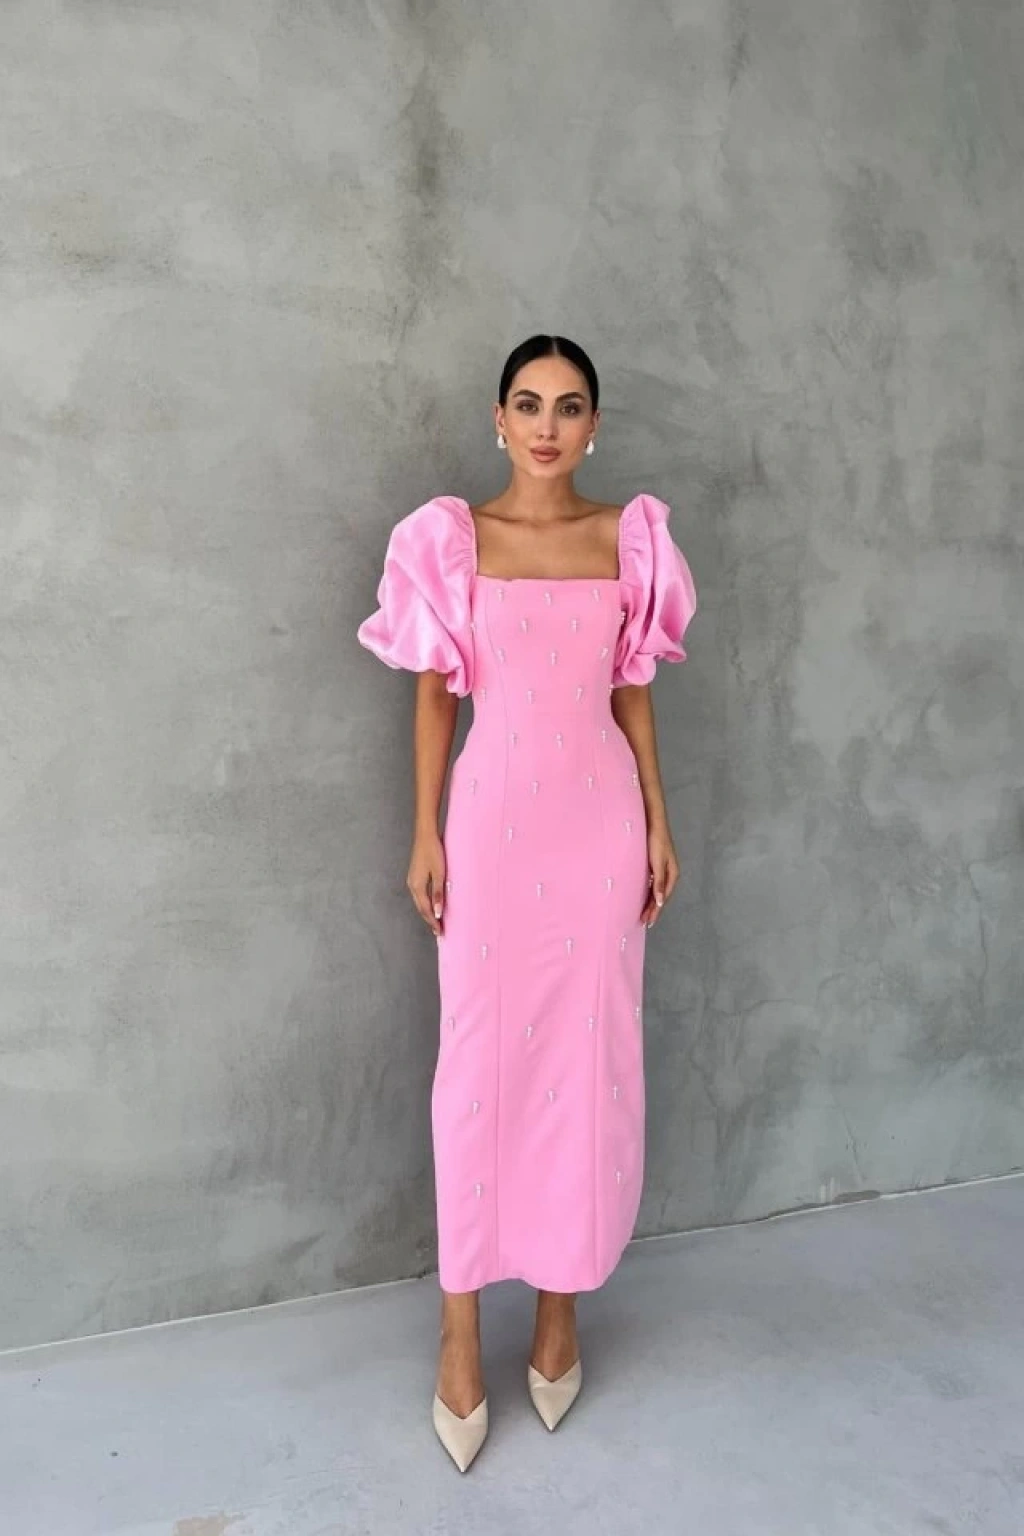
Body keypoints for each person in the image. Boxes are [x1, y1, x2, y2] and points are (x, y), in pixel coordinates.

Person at [356, 334, 697, 1471]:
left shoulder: (626, 538)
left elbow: (632, 689)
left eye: (569, 405)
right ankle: (459, 1329)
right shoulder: (453, 539)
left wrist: (657, 819)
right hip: (491, 827)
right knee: (478, 1065)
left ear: (594, 425)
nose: (547, 424)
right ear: (497, 418)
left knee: (584, 1063)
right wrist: (423, 830)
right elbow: (434, 700)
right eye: (528, 403)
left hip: (597, 827)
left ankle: (559, 1310)